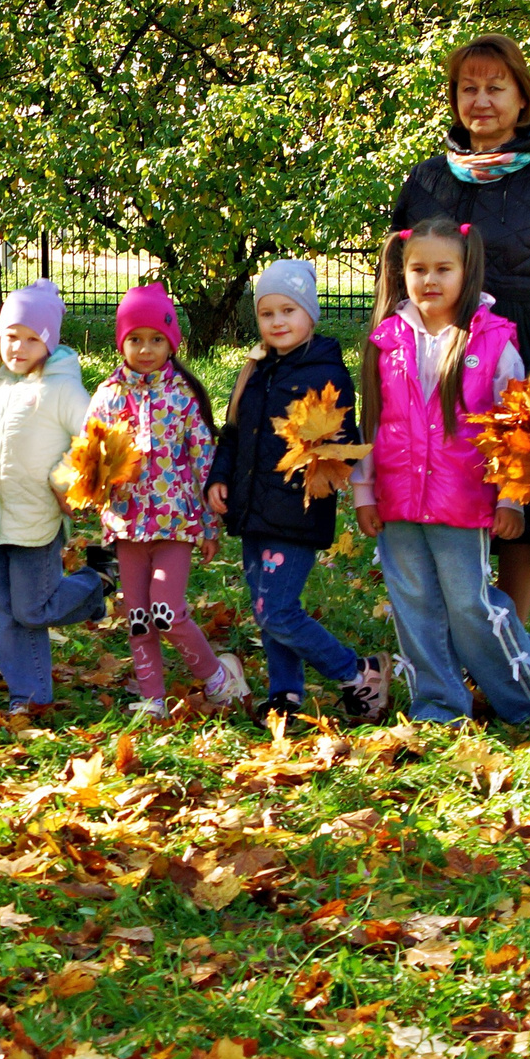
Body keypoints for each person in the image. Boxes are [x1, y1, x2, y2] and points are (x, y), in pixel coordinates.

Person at [389, 34, 530, 618]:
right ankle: (447, 636)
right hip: (435, 365)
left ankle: (508, 645)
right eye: (468, 88)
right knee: (440, 498)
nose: (480, 101)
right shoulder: (427, 182)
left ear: (521, 99)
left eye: (494, 88)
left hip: (524, 363)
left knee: (515, 516)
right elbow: (395, 275)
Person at [351, 222, 530, 727]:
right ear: (402, 274)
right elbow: (371, 421)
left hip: (462, 500)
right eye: (418, 269)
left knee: (470, 605)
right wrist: (363, 491)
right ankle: (439, 704)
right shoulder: (387, 339)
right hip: (397, 498)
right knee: (413, 606)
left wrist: (510, 498)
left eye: (444, 269)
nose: (430, 280)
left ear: (467, 273)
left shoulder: (491, 341)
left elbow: (517, 427)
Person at [205, 261, 387, 721]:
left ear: (311, 314)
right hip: (252, 509)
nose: (278, 322)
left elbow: (342, 441)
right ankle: (285, 691)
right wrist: (218, 477)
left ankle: (357, 670)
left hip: (296, 511)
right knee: (266, 604)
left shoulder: (327, 372)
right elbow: (233, 433)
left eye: (289, 310)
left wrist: (330, 444)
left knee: (276, 609)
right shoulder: (256, 370)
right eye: (268, 314)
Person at [83, 283, 248, 717]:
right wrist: (91, 491)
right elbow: (90, 458)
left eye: (157, 339)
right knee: (137, 617)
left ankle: (216, 676)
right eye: (135, 339)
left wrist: (210, 526)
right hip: (126, 525)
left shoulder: (183, 396)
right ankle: (151, 697)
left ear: (171, 343)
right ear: (121, 342)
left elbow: (202, 463)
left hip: (175, 524)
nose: (145, 349)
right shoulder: (107, 396)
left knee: (165, 611)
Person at [0, 281, 108, 715]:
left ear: (50, 341)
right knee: (4, 611)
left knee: (34, 608)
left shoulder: (63, 389)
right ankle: (27, 695)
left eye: (32, 338)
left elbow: (91, 439)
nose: (19, 347)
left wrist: (65, 480)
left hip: (37, 519)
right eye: (11, 336)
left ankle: (97, 580)